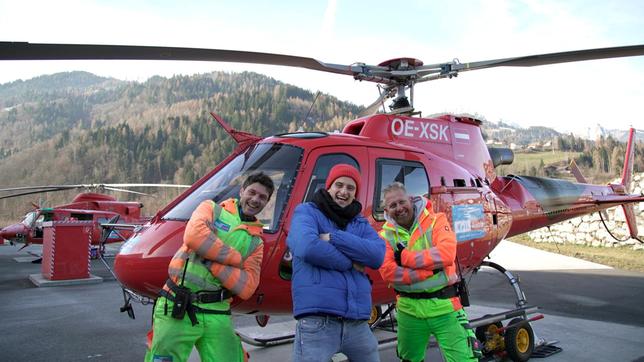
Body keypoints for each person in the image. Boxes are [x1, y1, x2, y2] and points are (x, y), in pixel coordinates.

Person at [145, 172, 275, 362]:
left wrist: (210, 259)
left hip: (217, 310)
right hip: (177, 304)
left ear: (267, 202)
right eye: (252, 192)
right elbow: (194, 237)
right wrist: (235, 258)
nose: (255, 199)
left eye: (262, 197)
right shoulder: (211, 209)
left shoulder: (256, 241)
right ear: (242, 191)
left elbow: (246, 287)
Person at [287, 164, 386, 362]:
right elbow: (308, 246)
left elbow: (377, 255)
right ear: (329, 186)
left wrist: (334, 237)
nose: (343, 192)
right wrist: (351, 262)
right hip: (318, 321)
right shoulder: (306, 212)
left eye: (350, 188)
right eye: (339, 185)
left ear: (355, 193)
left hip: (357, 323)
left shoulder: (360, 222)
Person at [378, 182, 479, 362]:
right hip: (409, 311)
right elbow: (389, 273)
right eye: (392, 205)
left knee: (464, 359)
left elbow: (446, 254)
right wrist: (427, 272)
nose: (399, 208)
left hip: (445, 307)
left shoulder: (436, 220)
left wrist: (406, 258)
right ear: (386, 210)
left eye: (401, 202)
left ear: (410, 200)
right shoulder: (385, 236)